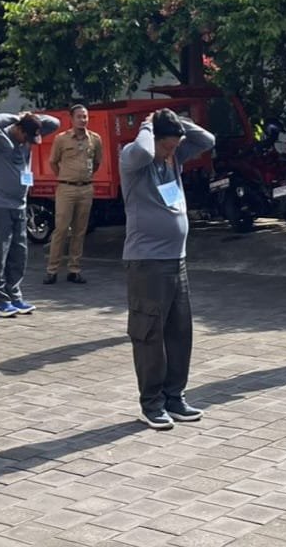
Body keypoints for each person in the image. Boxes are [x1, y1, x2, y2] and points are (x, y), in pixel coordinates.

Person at [120, 108, 214, 430]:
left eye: (175, 147)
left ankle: (175, 397)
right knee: (149, 335)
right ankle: (152, 403)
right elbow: (145, 151)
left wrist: (175, 121)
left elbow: (207, 140)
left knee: (179, 333)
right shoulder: (134, 158)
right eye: (167, 146)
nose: (171, 152)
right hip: (147, 262)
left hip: (177, 260)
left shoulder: (171, 158)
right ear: (153, 138)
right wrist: (148, 124)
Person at [0, 111, 60, 318]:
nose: (28, 142)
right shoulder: (1, 136)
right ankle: (0, 301)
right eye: (27, 136)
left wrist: (30, 116)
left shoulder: (28, 137)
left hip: (19, 205)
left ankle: (14, 295)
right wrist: (17, 118)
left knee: (19, 253)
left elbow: (55, 123)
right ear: (19, 129)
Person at [45, 104, 103, 285]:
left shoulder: (95, 139)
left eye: (85, 116)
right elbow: (53, 162)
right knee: (61, 229)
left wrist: (84, 178)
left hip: (86, 188)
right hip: (66, 188)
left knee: (80, 231)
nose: (83, 120)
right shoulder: (61, 139)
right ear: (71, 119)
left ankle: (74, 269)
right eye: (79, 116)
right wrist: (64, 177)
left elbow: (97, 162)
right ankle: (52, 270)